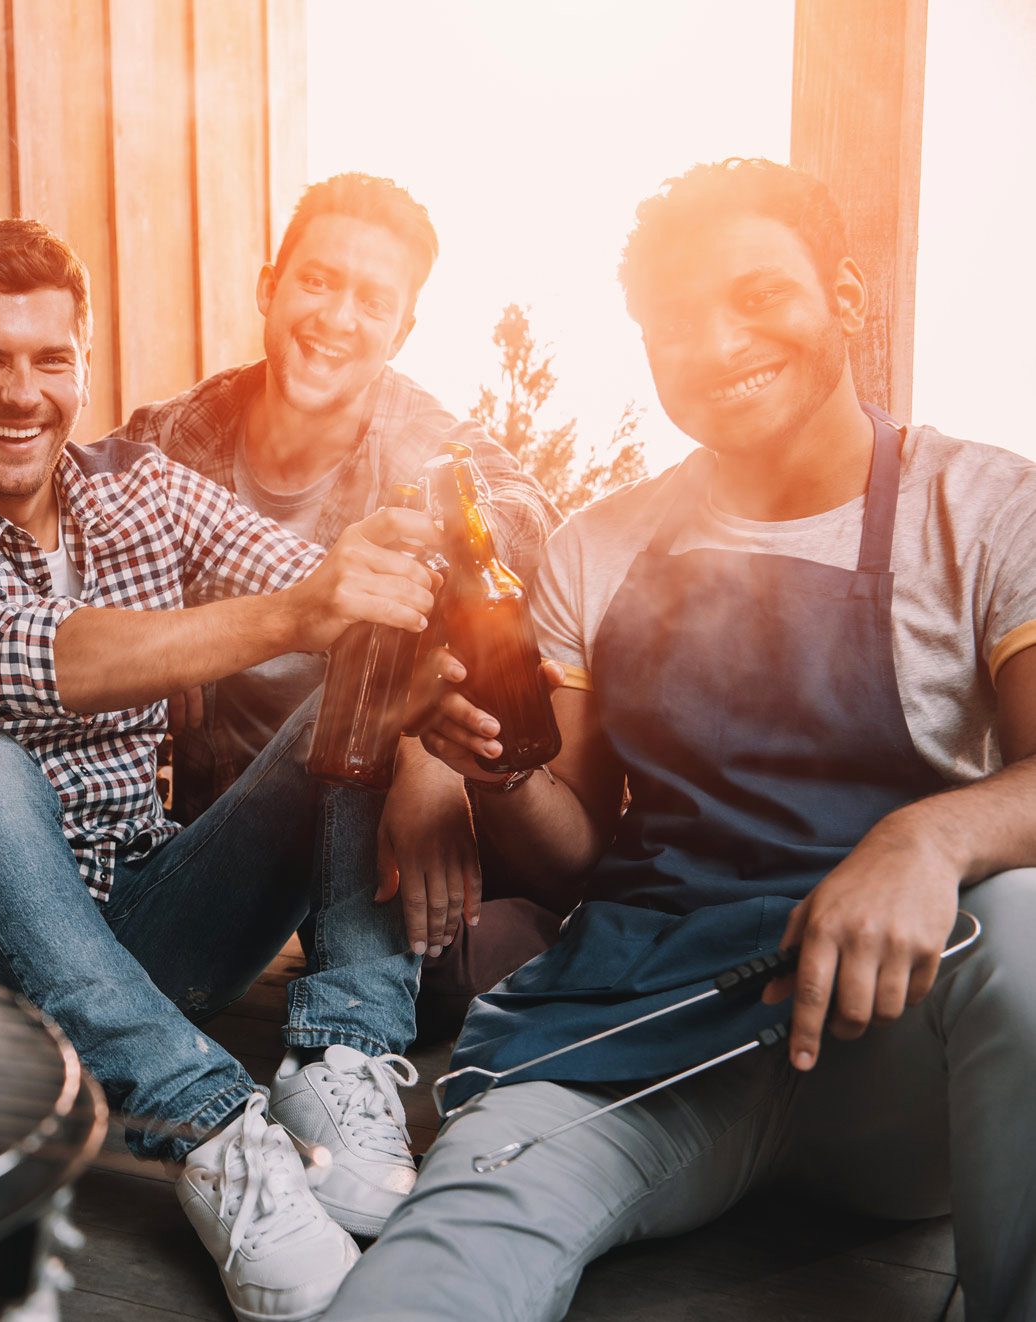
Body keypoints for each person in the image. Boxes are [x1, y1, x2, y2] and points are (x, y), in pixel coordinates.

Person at [325, 158, 1036, 1321]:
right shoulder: (600, 548)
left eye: (758, 295)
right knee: (439, 1266)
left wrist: (929, 835)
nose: (716, 344)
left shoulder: (988, 508)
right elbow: (570, 856)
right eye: (675, 324)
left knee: (1024, 918)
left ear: (847, 296)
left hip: (901, 1062)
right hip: (642, 1034)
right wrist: (497, 769)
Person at [0, 217, 443, 1321]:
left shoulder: (138, 487)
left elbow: (328, 591)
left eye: (50, 359)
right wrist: (299, 609)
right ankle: (216, 1132)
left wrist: (411, 699)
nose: (23, 393)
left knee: (362, 671)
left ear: (85, 362)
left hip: (150, 937)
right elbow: (39, 664)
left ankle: (345, 1052)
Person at [109, 172, 565, 1040]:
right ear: (269, 288)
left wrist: (426, 757)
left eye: (371, 299)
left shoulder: (429, 446)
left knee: (459, 977)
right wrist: (157, 645)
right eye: (316, 282)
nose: (336, 318)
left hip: (370, 856)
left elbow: (528, 522)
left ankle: (352, 1052)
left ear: (403, 329)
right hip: (231, 842)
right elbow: (76, 527)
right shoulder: (172, 441)